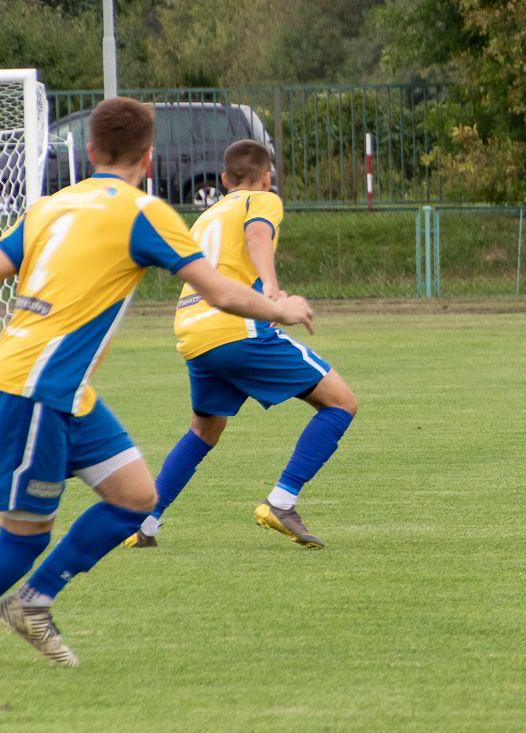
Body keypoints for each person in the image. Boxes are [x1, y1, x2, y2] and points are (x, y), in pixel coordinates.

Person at [0, 97, 315, 670]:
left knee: (137, 499)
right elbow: (219, 290)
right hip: (33, 389)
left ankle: (32, 603)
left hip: (60, 389)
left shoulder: (52, 206)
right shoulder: (143, 211)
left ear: (90, 151)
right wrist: (280, 308)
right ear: (149, 157)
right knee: (24, 538)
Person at [122, 139, 357, 551]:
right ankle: (281, 502)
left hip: (192, 330)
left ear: (224, 179)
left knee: (204, 430)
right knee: (341, 404)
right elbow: (257, 236)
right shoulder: (262, 200)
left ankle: (144, 523)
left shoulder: (206, 216)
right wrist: (272, 290)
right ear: (267, 177)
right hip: (235, 328)